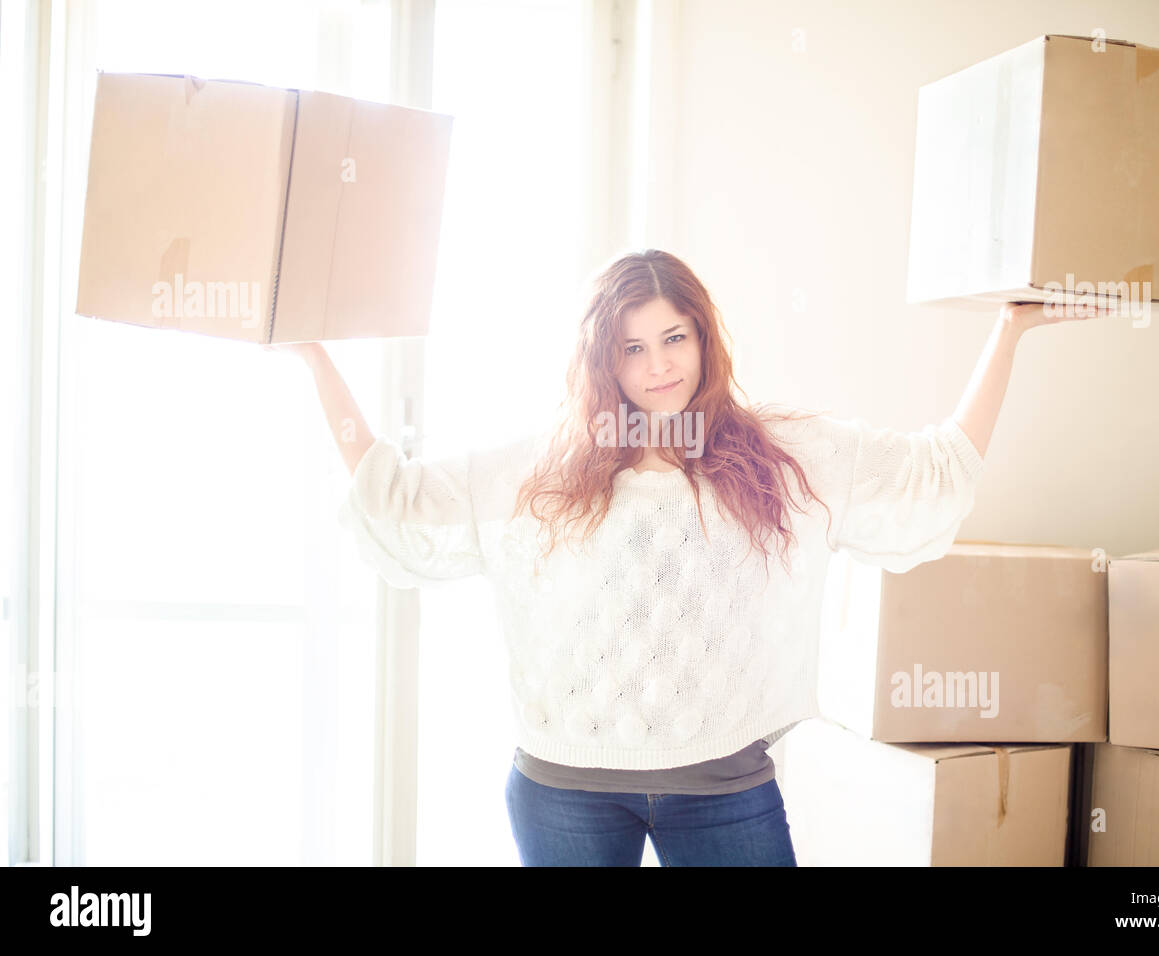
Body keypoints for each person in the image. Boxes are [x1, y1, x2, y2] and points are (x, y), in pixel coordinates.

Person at [267, 249, 1104, 866]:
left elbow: (932, 473)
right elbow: (402, 503)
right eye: (632, 348)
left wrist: (1010, 331)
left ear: (705, 339)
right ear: (603, 360)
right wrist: (314, 359)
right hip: (564, 790)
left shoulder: (782, 455)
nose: (659, 364)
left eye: (675, 337)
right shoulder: (539, 469)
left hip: (724, 784)